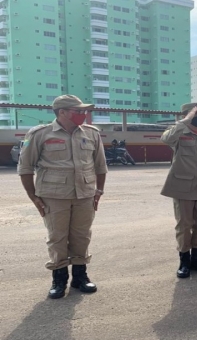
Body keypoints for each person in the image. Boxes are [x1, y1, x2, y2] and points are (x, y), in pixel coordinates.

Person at [17, 94, 107, 299]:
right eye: (78, 111)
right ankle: (59, 279)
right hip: (53, 196)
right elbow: (25, 168)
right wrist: (33, 197)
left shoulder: (92, 134)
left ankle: (79, 277)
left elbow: (101, 166)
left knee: (81, 236)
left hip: (84, 194)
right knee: (57, 237)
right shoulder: (39, 134)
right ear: (62, 112)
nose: (83, 114)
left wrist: (99, 191)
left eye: (84, 111)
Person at [161, 103, 197, 278]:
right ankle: (184, 260)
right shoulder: (178, 132)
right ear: (187, 115)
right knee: (184, 225)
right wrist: (184, 121)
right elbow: (166, 139)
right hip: (183, 186)